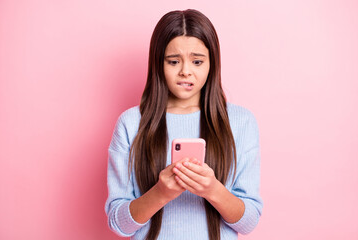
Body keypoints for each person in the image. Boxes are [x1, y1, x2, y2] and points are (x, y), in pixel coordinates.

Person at [105, 9, 263, 240]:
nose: (185, 71)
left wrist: (212, 189)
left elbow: (249, 222)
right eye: (173, 61)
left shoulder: (240, 122)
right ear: (158, 63)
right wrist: (161, 192)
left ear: (212, 64)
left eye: (197, 61)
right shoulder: (132, 123)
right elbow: (117, 222)